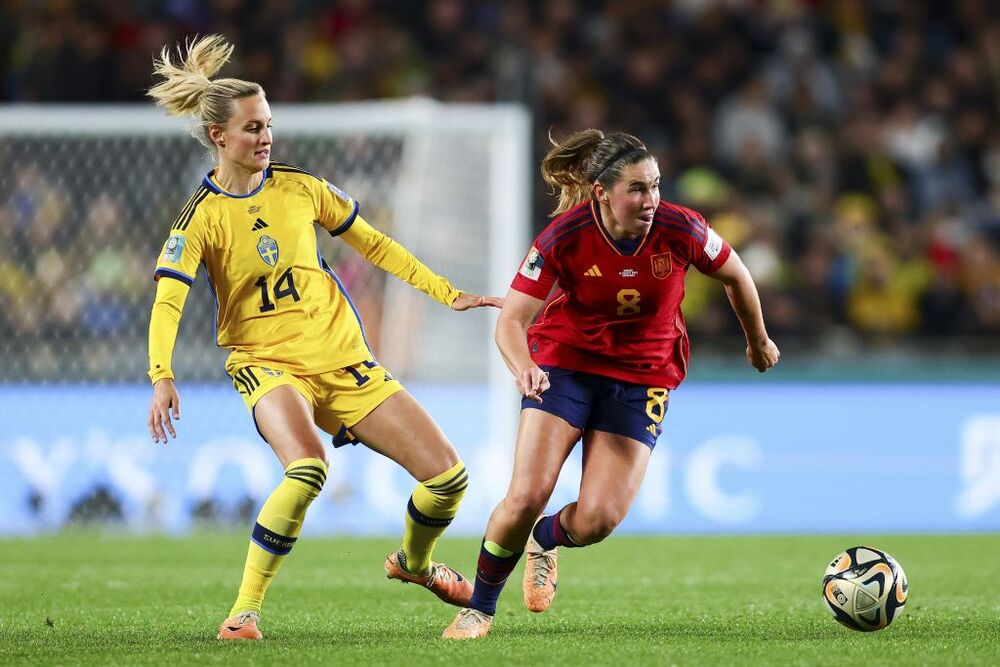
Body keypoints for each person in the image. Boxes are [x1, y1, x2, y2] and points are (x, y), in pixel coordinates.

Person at [144, 35, 501, 641]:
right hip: (265, 362)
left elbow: (376, 244)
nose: (266, 137)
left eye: (269, 125)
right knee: (307, 468)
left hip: (344, 359)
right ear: (218, 137)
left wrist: (447, 292)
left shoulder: (302, 187)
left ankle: (414, 563)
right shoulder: (199, 218)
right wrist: (161, 375)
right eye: (253, 128)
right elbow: (168, 301)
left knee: (449, 481)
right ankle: (244, 613)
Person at [443, 129, 780, 639]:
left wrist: (757, 340)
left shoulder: (681, 228)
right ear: (602, 192)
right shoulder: (563, 236)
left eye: (656, 186)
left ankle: (544, 539)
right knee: (528, 491)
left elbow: (737, 275)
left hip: (642, 378)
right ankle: (479, 609)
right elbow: (511, 322)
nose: (651, 200)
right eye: (637, 189)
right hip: (565, 366)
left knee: (598, 519)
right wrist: (523, 367)